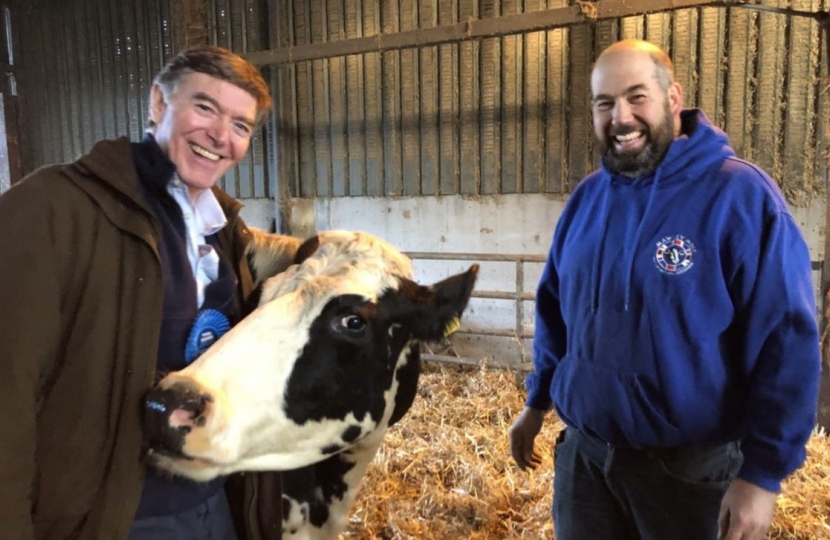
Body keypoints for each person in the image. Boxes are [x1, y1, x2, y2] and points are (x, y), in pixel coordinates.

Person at [508, 39, 820, 540]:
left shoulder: (738, 196)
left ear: (672, 99)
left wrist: (762, 476)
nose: (621, 118)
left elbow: (786, 338)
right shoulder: (588, 198)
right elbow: (554, 312)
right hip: (585, 463)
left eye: (637, 98)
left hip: (689, 473)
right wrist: (536, 402)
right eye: (604, 104)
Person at [0, 45, 283, 539]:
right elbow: (9, 386)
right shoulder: (53, 209)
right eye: (205, 107)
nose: (221, 135)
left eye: (241, 126)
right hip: (111, 513)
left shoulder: (225, 233)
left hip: (212, 501)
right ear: (157, 103)